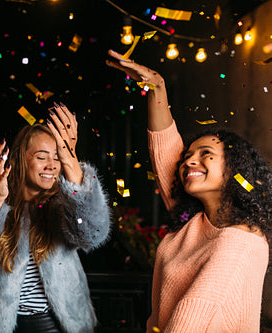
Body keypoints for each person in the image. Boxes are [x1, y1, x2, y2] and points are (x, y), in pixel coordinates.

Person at [107, 49, 272, 332]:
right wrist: (156, 86)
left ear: (236, 169)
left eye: (205, 153)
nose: (188, 161)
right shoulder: (195, 221)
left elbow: (192, 319)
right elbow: (166, 150)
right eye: (187, 156)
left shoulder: (239, 242)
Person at [0, 104, 111, 332]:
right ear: (22, 159)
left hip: (58, 325)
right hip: (1, 327)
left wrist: (70, 159)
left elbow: (93, 234)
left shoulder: (63, 205)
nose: (52, 165)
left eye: (57, 157)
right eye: (42, 157)